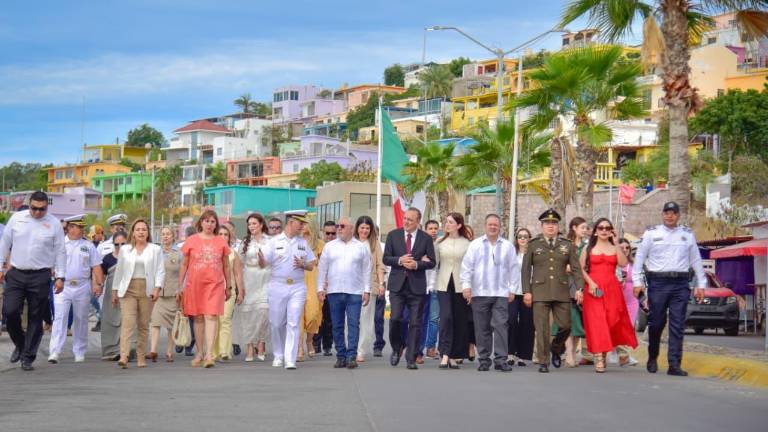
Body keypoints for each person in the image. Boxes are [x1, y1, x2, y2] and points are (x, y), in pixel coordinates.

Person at [633, 201, 706, 377]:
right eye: (666, 212)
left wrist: (701, 284)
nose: (670, 216)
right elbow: (640, 257)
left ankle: (674, 364)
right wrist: (637, 281)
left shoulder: (687, 234)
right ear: (662, 214)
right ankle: (652, 357)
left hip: (680, 283)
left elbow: (696, 259)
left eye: (673, 213)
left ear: (678, 215)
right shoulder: (652, 233)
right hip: (658, 283)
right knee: (656, 323)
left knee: (677, 324)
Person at [0, 191, 66, 371]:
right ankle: (21, 344)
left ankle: (28, 357)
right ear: (29, 205)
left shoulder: (54, 224)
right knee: (10, 312)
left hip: (40, 275)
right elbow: (4, 243)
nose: (37, 212)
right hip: (16, 272)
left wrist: (60, 277)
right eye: (34, 208)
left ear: (47, 207)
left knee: (36, 318)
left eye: (42, 209)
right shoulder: (17, 219)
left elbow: (60, 251)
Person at [522, 208, 583, 373]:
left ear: (558, 226)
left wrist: (579, 288)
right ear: (542, 226)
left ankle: (556, 348)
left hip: (561, 291)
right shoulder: (533, 244)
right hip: (539, 291)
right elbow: (526, 270)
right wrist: (527, 291)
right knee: (542, 328)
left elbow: (576, 269)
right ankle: (544, 361)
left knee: (566, 325)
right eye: (547, 223)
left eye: (554, 223)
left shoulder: (567, 244)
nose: (550, 226)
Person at [460, 214, 519, 372]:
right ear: (485, 226)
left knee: (501, 326)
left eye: (496, 225)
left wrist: (512, 290)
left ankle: (501, 359)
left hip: (501, 293)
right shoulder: (475, 245)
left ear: (500, 227)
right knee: (482, 327)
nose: (493, 227)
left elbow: (514, 269)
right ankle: (484, 359)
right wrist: (466, 286)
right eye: (490, 224)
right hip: (479, 292)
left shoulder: (507, 246)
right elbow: (467, 267)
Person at [578, 218, 638, 373]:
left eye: (607, 228)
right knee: (597, 322)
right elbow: (581, 268)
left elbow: (623, 263)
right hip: (594, 289)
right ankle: (598, 357)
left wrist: (617, 243)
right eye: (601, 228)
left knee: (611, 321)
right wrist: (590, 283)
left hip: (612, 289)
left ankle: (603, 353)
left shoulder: (614, 247)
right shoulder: (588, 248)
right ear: (595, 231)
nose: (604, 230)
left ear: (611, 231)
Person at [258, 210, 316, 370]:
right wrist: (260, 259)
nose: (303, 226)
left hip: (297, 286)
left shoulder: (303, 243)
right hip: (278, 285)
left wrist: (303, 264)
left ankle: (290, 358)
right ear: (291, 222)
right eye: (300, 223)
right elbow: (263, 264)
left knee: (294, 322)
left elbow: (311, 265)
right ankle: (278, 355)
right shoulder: (274, 242)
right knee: (277, 323)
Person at [383, 207, 436, 370]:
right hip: (397, 286)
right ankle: (396, 347)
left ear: (418, 222)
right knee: (395, 318)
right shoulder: (393, 235)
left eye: (410, 220)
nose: (406, 222)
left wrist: (417, 264)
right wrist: (400, 260)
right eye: (405, 218)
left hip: (416, 286)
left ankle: (411, 357)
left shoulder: (426, 238)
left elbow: (432, 262)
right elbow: (386, 258)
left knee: (415, 323)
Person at [177, 210, 231, 369]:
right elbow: (184, 264)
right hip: (195, 284)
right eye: (206, 221)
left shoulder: (221, 242)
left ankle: (209, 355)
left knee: (211, 316)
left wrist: (229, 286)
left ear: (216, 224)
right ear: (201, 222)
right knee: (198, 318)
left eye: (213, 221)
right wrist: (180, 286)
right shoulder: (191, 240)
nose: (209, 224)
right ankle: (199, 353)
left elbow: (226, 266)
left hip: (215, 284)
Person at [317, 217, 372, 369]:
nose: (339, 228)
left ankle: (351, 356)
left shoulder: (360, 247)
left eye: (342, 226)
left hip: (354, 291)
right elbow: (322, 268)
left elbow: (367, 269)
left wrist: (367, 290)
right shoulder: (329, 247)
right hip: (334, 291)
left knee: (353, 324)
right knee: (337, 325)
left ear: (351, 228)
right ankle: (341, 356)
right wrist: (320, 288)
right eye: (337, 226)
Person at [48, 215, 103, 364]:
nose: (82, 230)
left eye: (82, 227)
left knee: (81, 319)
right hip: (62, 286)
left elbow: (96, 266)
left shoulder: (88, 246)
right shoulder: (59, 244)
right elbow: (49, 263)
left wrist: (98, 284)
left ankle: (79, 351)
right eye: (79, 227)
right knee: (60, 318)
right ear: (70, 228)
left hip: (82, 286)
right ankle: (55, 351)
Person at [112, 219, 165, 369]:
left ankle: (141, 356)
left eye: (144, 229)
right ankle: (124, 356)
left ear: (148, 233)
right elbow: (119, 271)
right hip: (128, 289)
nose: (141, 232)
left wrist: (157, 288)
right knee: (128, 323)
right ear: (133, 233)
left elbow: (160, 270)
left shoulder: (155, 249)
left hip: (147, 289)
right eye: (138, 229)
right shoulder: (125, 249)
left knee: (143, 324)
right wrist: (114, 291)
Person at [435, 212, 472, 369]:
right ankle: (444, 353)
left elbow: (471, 267)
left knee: (458, 320)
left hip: (460, 286)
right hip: (443, 285)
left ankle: (453, 356)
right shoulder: (439, 242)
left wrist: (470, 288)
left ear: (459, 225)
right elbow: (434, 263)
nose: (447, 224)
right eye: (447, 222)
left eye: (451, 222)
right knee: (446, 318)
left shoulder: (468, 244)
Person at [556, 217, 590, 367]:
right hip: (566, 285)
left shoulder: (587, 246)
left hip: (581, 285)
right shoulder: (565, 244)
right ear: (574, 228)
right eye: (582, 227)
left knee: (578, 322)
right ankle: (569, 353)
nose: (585, 230)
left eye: (586, 228)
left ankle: (573, 353)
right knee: (568, 320)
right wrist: (566, 267)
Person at [236, 213, 272, 362]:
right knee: (249, 314)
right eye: (249, 224)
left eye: (254, 223)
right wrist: (240, 287)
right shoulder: (245, 242)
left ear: (261, 224)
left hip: (265, 278)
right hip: (249, 278)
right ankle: (250, 347)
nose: (251, 226)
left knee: (263, 312)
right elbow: (239, 265)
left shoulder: (269, 241)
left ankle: (261, 344)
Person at [149, 226, 182, 363]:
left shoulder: (179, 253)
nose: (165, 236)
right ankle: (153, 351)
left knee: (171, 325)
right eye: (163, 234)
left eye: (168, 234)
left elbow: (183, 274)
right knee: (155, 322)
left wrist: (181, 290)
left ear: (173, 236)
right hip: (159, 294)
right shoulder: (156, 252)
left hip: (174, 294)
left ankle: (169, 352)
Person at [212, 224, 244, 361]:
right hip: (213, 291)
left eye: (226, 234)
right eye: (220, 234)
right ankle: (213, 352)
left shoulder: (233, 253)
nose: (223, 237)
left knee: (225, 319)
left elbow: (237, 274)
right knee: (214, 321)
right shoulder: (210, 252)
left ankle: (224, 351)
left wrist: (240, 291)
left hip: (229, 291)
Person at [355, 215, 385, 363]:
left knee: (366, 320)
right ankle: (351, 348)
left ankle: (360, 350)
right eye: (362, 227)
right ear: (357, 228)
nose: (365, 231)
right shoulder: (351, 242)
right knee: (353, 320)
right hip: (352, 286)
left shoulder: (374, 243)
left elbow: (380, 265)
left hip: (370, 286)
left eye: (367, 228)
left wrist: (381, 284)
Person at [508, 227, 535, 367]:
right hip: (513, 292)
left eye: (525, 236)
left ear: (530, 239)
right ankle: (510, 353)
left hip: (528, 292)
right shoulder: (512, 254)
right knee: (511, 320)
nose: (523, 239)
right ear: (516, 239)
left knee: (527, 323)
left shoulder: (534, 254)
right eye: (520, 236)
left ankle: (522, 356)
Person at [298, 222, 323, 362]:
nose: (302, 227)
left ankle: (309, 340)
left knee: (313, 314)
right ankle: (299, 347)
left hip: (314, 280)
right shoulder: (295, 242)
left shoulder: (320, 244)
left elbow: (325, 265)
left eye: (305, 224)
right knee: (298, 314)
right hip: (298, 279)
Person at [100, 231, 126, 360]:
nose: (120, 247)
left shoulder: (133, 257)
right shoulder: (107, 259)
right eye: (117, 244)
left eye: (123, 244)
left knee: (127, 321)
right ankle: (111, 351)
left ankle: (127, 350)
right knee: (111, 321)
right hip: (111, 296)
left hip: (129, 294)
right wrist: (97, 287)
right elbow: (101, 277)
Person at [418, 220, 440, 363]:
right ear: (425, 230)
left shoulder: (441, 245)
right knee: (420, 319)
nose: (433, 231)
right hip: (422, 286)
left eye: (435, 228)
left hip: (437, 286)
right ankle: (416, 347)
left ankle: (430, 347)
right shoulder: (420, 244)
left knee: (434, 319)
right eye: (430, 228)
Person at [313, 220, 337, 356]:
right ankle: (315, 344)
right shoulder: (316, 246)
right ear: (323, 233)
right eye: (328, 233)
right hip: (318, 286)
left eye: (333, 233)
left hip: (333, 287)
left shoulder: (339, 247)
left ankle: (327, 345)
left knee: (329, 318)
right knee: (316, 316)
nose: (330, 236)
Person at [616, 238, 639, 366]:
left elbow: (640, 281)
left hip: (632, 302)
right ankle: (621, 354)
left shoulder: (633, 264)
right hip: (617, 300)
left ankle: (624, 355)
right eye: (622, 247)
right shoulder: (613, 262)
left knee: (628, 327)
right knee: (617, 326)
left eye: (627, 247)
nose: (625, 250)